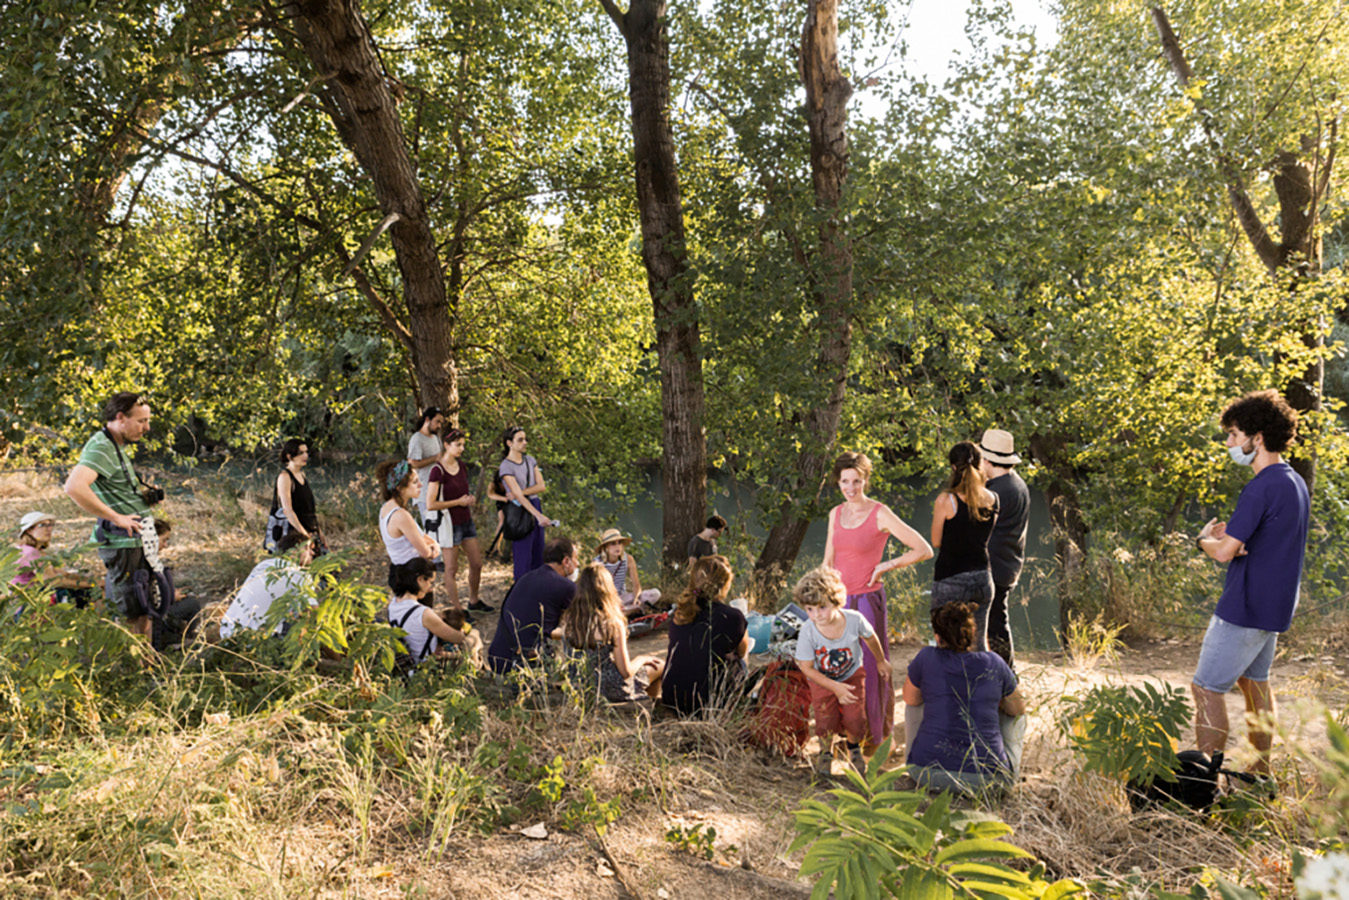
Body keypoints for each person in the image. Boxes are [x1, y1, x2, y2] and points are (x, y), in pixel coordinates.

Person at [1193, 390, 1309, 776]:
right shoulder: (1293, 482)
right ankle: (1260, 775)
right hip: (1273, 609)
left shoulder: (1260, 486)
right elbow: (1265, 540)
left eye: (1233, 434)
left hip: (1243, 608)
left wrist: (1204, 541)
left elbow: (1225, 552)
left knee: (1207, 688)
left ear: (1256, 438)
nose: (1229, 443)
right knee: (1255, 683)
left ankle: (1205, 785)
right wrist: (1234, 540)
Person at [822, 451, 933, 751]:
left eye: (857, 481)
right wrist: (822, 599)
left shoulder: (880, 513)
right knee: (840, 667)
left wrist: (886, 565)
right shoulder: (835, 513)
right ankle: (847, 733)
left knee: (871, 669)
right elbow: (828, 560)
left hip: (869, 601)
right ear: (839, 482)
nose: (851, 487)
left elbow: (923, 549)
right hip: (838, 603)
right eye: (845, 481)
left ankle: (876, 737)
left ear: (865, 480)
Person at [63, 392, 161, 639]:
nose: (147, 428)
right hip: (123, 544)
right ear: (120, 418)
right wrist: (117, 517)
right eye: (141, 421)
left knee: (143, 609)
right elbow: (74, 487)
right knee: (129, 613)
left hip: (136, 542)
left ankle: (147, 667)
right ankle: (132, 672)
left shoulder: (114, 445)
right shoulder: (101, 447)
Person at [903, 601, 1026, 793]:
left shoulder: (926, 657)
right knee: (1014, 713)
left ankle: (917, 755)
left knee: (915, 704)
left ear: (937, 636)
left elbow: (910, 700)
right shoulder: (994, 662)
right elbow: (1018, 709)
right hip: (989, 781)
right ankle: (1005, 765)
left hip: (926, 774)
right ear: (972, 634)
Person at [794, 565, 891, 776]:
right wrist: (835, 687)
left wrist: (881, 660)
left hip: (852, 675)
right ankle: (826, 752)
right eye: (810, 609)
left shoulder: (853, 619)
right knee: (825, 718)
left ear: (837, 601)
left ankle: (853, 748)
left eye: (822, 607)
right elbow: (807, 668)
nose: (816, 615)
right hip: (822, 680)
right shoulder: (808, 630)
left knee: (855, 718)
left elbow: (870, 636)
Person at [556, 563, 665, 703]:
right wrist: (642, 659)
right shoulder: (612, 622)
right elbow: (626, 672)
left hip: (579, 687)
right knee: (659, 665)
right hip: (610, 689)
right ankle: (648, 709)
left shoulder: (568, 619)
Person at [930, 441, 1000, 651]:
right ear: (980, 465)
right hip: (982, 577)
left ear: (953, 467)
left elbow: (936, 541)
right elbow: (985, 536)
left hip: (950, 577)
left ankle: (949, 683)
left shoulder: (946, 500)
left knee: (946, 640)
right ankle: (982, 682)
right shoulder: (994, 499)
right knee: (978, 643)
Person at [661, 555, 749, 717]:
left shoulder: (681, 611)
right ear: (725, 584)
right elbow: (742, 652)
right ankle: (736, 702)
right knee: (741, 663)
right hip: (706, 705)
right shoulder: (733, 616)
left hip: (672, 698)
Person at [487, 537, 579, 674]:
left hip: (497, 660)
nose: (577, 564)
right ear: (566, 561)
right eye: (576, 559)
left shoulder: (525, 578)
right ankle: (577, 679)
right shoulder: (566, 586)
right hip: (524, 668)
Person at [979, 429, 1029, 670]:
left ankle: (1007, 676)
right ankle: (1006, 674)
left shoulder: (996, 492)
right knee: (997, 620)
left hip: (995, 566)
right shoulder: (1017, 483)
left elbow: (982, 529)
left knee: (995, 624)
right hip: (1009, 562)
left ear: (988, 460)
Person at [425, 429, 490, 613]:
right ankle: (458, 610)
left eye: (463, 444)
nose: (462, 448)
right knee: (451, 569)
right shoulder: (437, 471)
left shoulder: (461, 466)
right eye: (458, 445)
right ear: (447, 445)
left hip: (466, 521)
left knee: (476, 563)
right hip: (449, 525)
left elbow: (461, 492)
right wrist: (458, 502)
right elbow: (430, 504)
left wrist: (469, 500)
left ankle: (474, 600)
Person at [219, 532, 318, 639]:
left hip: (227, 632)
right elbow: (314, 614)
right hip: (258, 640)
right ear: (293, 552)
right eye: (307, 548)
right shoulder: (301, 576)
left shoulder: (263, 565)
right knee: (308, 626)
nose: (312, 553)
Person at [386, 557, 474, 674]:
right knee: (475, 637)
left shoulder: (393, 604)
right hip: (426, 667)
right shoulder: (423, 613)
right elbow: (458, 638)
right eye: (431, 582)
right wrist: (463, 631)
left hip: (409, 663)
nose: (431, 588)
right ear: (420, 579)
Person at [10, 512, 99, 616]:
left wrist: (92, 580)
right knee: (95, 593)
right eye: (42, 525)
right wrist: (93, 584)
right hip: (30, 608)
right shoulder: (30, 553)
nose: (49, 529)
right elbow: (54, 581)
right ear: (29, 530)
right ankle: (102, 623)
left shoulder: (29, 550)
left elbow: (63, 574)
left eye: (50, 525)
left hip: (30, 604)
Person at [375, 459, 441, 593]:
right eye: (415, 482)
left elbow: (421, 536)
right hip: (412, 576)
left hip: (399, 571)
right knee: (420, 613)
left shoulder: (386, 508)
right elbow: (426, 552)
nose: (421, 485)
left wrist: (431, 542)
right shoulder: (401, 515)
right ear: (400, 488)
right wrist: (435, 547)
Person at [498, 426, 552, 582]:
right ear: (509, 443)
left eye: (525, 439)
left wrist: (521, 492)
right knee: (523, 558)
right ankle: (520, 597)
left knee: (538, 554)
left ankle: (536, 594)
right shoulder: (506, 466)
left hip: (534, 503)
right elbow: (519, 498)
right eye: (520, 440)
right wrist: (538, 515)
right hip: (519, 511)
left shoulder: (530, 460)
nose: (525, 442)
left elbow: (541, 486)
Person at [266, 439, 325, 556]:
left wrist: (319, 532)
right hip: (294, 532)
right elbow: (287, 510)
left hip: (310, 528)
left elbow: (308, 509)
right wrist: (304, 535)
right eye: (301, 453)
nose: (305, 456)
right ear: (289, 456)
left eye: (306, 452)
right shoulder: (285, 477)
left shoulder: (301, 474)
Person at [593, 528, 661, 616]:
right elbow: (596, 591)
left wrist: (636, 598)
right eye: (613, 544)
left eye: (619, 543)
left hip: (623, 597)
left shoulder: (628, 559)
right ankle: (626, 611)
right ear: (605, 547)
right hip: (605, 600)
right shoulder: (597, 563)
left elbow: (636, 585)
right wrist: (611, 603)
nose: (618, 546)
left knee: (655, 593)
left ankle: (625, 611)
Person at [407, 406, 444, 521]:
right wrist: (434, 458)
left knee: (441, 530)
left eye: (441, 423)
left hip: (438, 491)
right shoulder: (417, 439)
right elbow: (412, 464)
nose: (439, 426)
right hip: (424, 493)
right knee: (430, 528)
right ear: (427, 419)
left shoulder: (435, 438)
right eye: (437, 421)